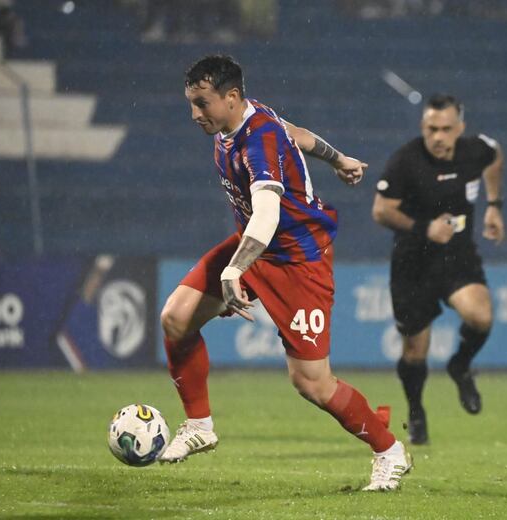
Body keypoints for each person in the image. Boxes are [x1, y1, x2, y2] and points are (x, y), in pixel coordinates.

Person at [159, 54, 411, 491]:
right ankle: (199, 424)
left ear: (231, 97)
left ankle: (390, 450)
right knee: (176, 319)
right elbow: (299, 135)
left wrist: (234, 270)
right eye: (191, 103)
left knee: (312, 383)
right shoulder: (248, 117)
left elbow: (268, 213)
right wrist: (339, 159)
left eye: (201, 103)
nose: (194, 114)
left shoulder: (258, 140)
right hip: (254, 249)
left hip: (298, 260)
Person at [372, 94, 505, 445]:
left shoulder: (474, 150)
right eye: (432, 128)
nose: (439, 136)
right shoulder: (405, 161)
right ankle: (416, 410)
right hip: (412, 263)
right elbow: (381, 211)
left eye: (446, 129)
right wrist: (424, 228)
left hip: (457, 256)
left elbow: (495, 155)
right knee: (415, 351)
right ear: (422, 127)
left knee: (481, 317)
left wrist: (494, 205)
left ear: (460, 128)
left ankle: (460, 366)